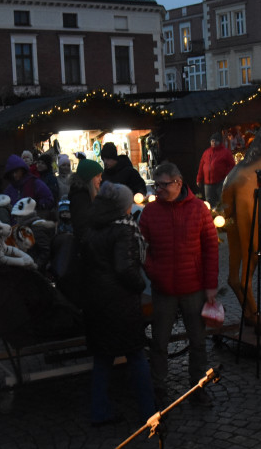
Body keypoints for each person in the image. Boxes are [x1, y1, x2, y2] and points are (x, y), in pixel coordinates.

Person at [139, 161, 218, 407]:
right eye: (156, 184)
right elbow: (141, 247)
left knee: (197, 341)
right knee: (159, 343)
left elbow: (211, 248)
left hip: (193, 287)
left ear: (178, 183)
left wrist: (210, 285)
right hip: (163, 289)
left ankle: (198, 387)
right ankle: (159, 389)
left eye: (163, 185)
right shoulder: (150, 212)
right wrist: (153, 271)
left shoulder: (198, 209)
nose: (158, 190)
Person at [81, 181, 155, 425]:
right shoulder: (124, 228)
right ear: (123, 206)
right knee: (136, 355)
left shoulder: (92, 226)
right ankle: (148, 411)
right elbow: (125, 268)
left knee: (102, 359)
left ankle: (99, 410)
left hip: (96, 301)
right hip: (120, 303)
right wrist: (140, 285)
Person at [196, 132, 236, 208]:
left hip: (220, 182)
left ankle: (223, 218)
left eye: (215, 141)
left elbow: (231, 166)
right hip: (208, 183)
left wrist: (225, 175)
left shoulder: (226, 152)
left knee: (222, 202)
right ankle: (211, 218)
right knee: (209, 202)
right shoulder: (206, 152)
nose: (213, 142)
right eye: (212, 141)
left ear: (219, 142)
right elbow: (201, 166)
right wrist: (199, 179)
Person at [69, 158, 103, 241]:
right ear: (90, 178)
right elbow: (82, 227)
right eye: (97, 176)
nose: (100, 179)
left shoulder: (85, 194)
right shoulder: (80, 197)